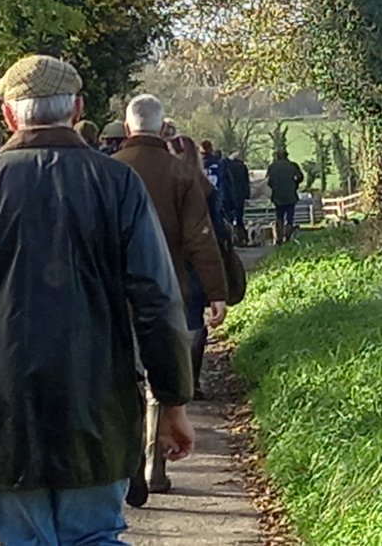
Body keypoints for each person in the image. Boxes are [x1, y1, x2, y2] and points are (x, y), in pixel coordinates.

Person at [0, 55, 194, 546]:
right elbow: (155, 299)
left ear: (9, 115)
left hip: (4, 402)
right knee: (95, 536)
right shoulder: (118, 183)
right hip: (96, 393)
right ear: (78, 108)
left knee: (24, 540)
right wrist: (172, 399)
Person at [113, 96, 227, 499]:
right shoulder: (181, 176)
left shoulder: (109, 173)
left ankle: (126, 467)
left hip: (113, 297)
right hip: (168, 291)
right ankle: (153, 465)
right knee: (159, 380)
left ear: (127, 129)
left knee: (123, 378)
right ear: (163, 130)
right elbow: (200, 238)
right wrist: (216, 292)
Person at [167, 134, 232, 401]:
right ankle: (191, 380)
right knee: (194, 321)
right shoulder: (206, 187)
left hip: (171, 260)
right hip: (197, 263)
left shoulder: (167, 184)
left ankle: (173, 377)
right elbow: (217, 230)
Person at [266, 149, 305, 244]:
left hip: (278, 196)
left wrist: (274, 187)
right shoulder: (293, 166)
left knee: (279, 216)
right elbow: (301, 177)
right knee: (290, 217)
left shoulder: (272, 167)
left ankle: (279, 237)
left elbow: (269, 182)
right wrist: (295, 184)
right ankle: (287, 236)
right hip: (290, 195)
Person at [226, 151, 253, 247]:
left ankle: (232, 238)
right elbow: (246, 182)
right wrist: (247, 195)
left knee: (229, 217)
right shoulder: (242, 167)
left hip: (229, 195)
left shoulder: (227, 166)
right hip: (240, 195)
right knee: (239, 218)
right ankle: (241, 238)